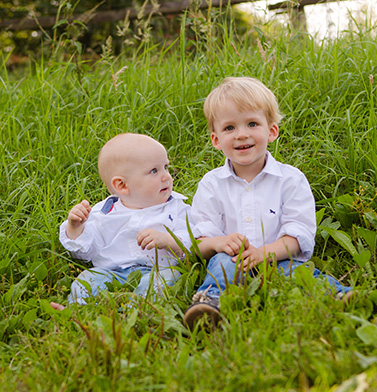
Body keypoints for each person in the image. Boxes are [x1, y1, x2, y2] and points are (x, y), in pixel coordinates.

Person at [183, 77, 353, 330]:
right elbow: (199, 239)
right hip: (232, 261)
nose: (242, 134)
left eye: (252, 123)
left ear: (271, 131)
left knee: (296, 272)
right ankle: (211, 304)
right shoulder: (212, 184)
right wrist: (218, 242)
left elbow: (299, 233)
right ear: (216, 139)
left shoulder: (290, 180)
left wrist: (264, 253)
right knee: (219, 265)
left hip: (278, 258)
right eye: (229, 128)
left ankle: (336, 295)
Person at [50, 133, 191, 310]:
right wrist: (75, 227)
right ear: (122, 186)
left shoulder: (176, 208)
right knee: (86, 279)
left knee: (166, 280)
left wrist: (168, 241)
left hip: (157, 270)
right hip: (110, 272)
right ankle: (77, 310)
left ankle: (134, 312)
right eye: (154, 171)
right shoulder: (104, 212)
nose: (166, 177)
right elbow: (85, 252)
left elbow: (194, 241)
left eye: (166, 167)